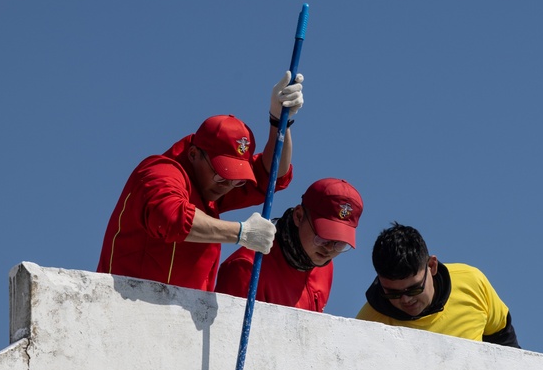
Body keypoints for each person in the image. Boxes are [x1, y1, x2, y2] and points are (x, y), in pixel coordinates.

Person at [97, 72, 304, 291]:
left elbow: (272, 176)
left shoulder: (213, 185)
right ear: (194, 154)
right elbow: (171, 218)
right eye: (222, 174)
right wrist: (242, 233)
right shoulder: (159, 173)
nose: (227, 185)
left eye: (237, 180)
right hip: (127, 313)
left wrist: (280, 121)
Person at [356, 223, 520, 347]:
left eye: (414, 289)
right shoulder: (368, 323)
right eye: (392, 293)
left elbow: (504, 338)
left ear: (432, 266)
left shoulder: (472, 283)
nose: (405, 299)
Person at [215, 178, 363, 312]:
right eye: (323, 237)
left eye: (340, 243)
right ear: (298, 216)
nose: (330, 248)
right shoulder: (247, 268)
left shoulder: (324, 264)